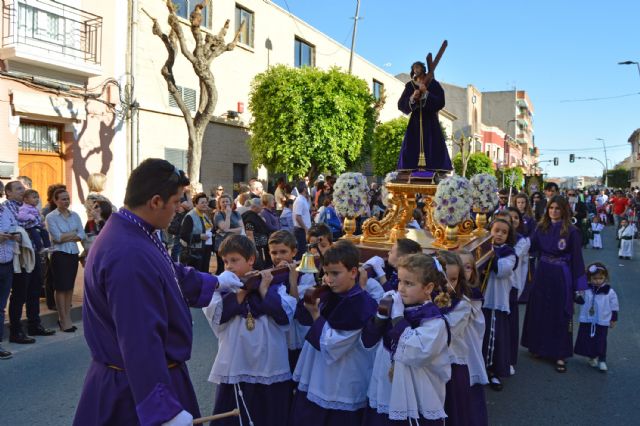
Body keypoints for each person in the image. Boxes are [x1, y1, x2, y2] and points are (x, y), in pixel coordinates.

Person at [74, 158, 244, 426]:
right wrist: (162, 410)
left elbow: (168, 273)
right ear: (155, 201)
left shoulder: (136, 230)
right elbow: (139, 338)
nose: (180, 209)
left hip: (146, 381)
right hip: (134, 392)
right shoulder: (128, 253)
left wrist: (214, 282)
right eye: (176, 202)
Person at [203, 234, 296, 425]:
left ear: (251, 260)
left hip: (269, 362)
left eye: (234, 260)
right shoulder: (221, 289)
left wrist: (262, 289)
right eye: (225, 261)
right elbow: (218, 315)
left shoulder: (273, 284)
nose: (228, 266)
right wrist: (242, 290)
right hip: (237, 361)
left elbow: (284, 316)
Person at [290, 240, 378, 425]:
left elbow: (332, 345)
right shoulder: (332, 293)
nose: (329, 279)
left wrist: (315, 314)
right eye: (327, 273)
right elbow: (300, 317)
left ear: (353, 272)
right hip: (321, 372)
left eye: (335, 273)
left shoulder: (358, 304)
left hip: (343, 375)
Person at [361, 253, 451, 425]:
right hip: (387, 386)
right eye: (400, 281)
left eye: (409, 283)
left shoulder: (433, 320)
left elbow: (418, 352)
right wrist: (380, 317)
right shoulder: (398, 306)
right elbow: (367, 341)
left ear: (428, 288)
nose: (401, 288)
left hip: (416, 390)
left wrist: (397, 319)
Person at [521, 195, 587, 373]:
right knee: (540, 309)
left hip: (561, 276)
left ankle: (560, 354)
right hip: (542, 272)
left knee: (560, 314)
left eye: (557, 208)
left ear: (564, 210)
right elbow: (530, 246)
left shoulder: (572, 231)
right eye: (551, 208)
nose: (553, 211)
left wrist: (579, 286)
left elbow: (578, 260)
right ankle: (539, 347)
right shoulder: (541, 227)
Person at [4, 181, 55, 343]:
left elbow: (38, 222)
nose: (22, 191)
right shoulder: (8, 207)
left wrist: (34, 221)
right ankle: (15, 331)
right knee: (20, 293)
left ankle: (34, 324)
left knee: (34, 290)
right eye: (18, 188)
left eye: (23, 188)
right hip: (21, 256)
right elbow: (18, 225)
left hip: (33, 252)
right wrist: (34, 220)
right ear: (8, 193)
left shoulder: (28, 204)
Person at [267, 230, 316, 372]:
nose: (278, 257)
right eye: (274, 253)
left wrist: (292, 281)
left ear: (294, 252)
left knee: (299, 367)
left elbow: (295, 307)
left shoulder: (305, 273)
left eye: (283, 252)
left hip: (299, 330)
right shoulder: (269, 274)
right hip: (279, 333)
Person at [437, 251, 474, 426]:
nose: (449, 285)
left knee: (453, 412)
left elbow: (443, 333)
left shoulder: (463, 304)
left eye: (454, 279)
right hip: (431, 368)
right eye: (444, 279)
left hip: (452, 366)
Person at [482, 218, 517, 391]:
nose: (499, 235)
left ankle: (493, 370)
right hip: (479, 298)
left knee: (493, 335)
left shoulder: (509, 253)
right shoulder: (482, 247)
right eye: (496, 230)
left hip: (495, 300)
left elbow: (502, 270)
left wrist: (489, 255)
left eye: (504, 232)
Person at [397, 61, 452, 171]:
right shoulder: (410, 85)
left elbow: (440, 101)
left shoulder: (433, 83)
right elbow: (401, 104)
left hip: (430, 121)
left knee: (433, 144)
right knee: (411, 145)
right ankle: (411, 170)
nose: (416, 70)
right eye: (414, 68)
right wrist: (412, 97)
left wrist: (426, 93)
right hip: (415, 121)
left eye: (418, 67)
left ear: (423, 69)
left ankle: (433, 170)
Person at [45, 188, 85, 332]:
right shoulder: (51, 217)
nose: (66, 201)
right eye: (62, 199)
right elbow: (57, 238)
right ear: (55, 201)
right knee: (61, 287)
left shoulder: (75, 215)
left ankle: (67, 316)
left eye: (67, 198)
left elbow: (82, 234)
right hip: (59, 254)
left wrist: (67, 235)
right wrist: (73, 234)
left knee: (69, 287)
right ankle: (62, 319)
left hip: (73, 253)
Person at [457, 249, 489, 426]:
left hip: (467, 348)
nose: (462, 272)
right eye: (458, 268)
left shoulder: (472, 296)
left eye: (467, 268)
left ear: (474, 273)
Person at [574, 263, 619, 372]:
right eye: (595, 278)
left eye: (601, 278)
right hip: (588, 319)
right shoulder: (586, 289)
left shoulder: (609, 292)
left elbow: (615, 306)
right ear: (590, 278)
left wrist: (613, 319)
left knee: (601, 340)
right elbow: (578, 296)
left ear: (605, 278)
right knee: (588, 338)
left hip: (602, 320)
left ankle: (602, 359)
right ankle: (591, 357)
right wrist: (578, 297)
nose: (598, 281)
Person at [506, 208, 530, 374]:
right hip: (493, 287)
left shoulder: (523, 240)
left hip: (512, 285)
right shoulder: (494, 236)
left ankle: (508, 358)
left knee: (509, 324)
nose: (512, 219)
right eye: (509, 217)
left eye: (516, 217)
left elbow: (511, 259)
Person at [0, 201, 20, 359]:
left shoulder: (6, 211)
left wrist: (14, 234)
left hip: (6, 263)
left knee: (1, 307)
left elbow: (15, 227)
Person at [179, 192, 213, 273]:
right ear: (195, 204)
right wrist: (200, 237)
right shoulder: (190, 216)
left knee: (204, 273)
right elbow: (184, 235)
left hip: (205, 249)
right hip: (194, 252)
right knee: (196, 275)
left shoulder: (204, 215)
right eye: (202, 203)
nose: (205, 204)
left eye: (206, 202)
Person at [214, 194, 245, 274]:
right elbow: (224, 227)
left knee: (234, 264)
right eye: (223, 202)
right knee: (222, 266)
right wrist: (227, 215)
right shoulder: (218, 214)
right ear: (219, 204)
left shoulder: (236, 213)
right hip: (222, 243)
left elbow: (240, 229)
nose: (225, 203)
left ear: (230, 203)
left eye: (227, 201)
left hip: (235, 243)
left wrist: (227, 230)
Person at [242, 198, 272, 269]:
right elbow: (249, 234)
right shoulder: (249, 218)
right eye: (261, 206)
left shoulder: (256, 216)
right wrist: (253, 248)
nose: (262, 208)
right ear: (255, 207)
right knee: (259, 264)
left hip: (263, 246)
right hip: (257, 246)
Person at [293, 181, 312, 260]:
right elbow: (298, 217)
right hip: (301, 230)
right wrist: (305, 228)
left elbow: (303, 215)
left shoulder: (303, 199)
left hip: (303, 229)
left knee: (304, 251)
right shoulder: (299, 200)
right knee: (301, 252)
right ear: (304, 189)